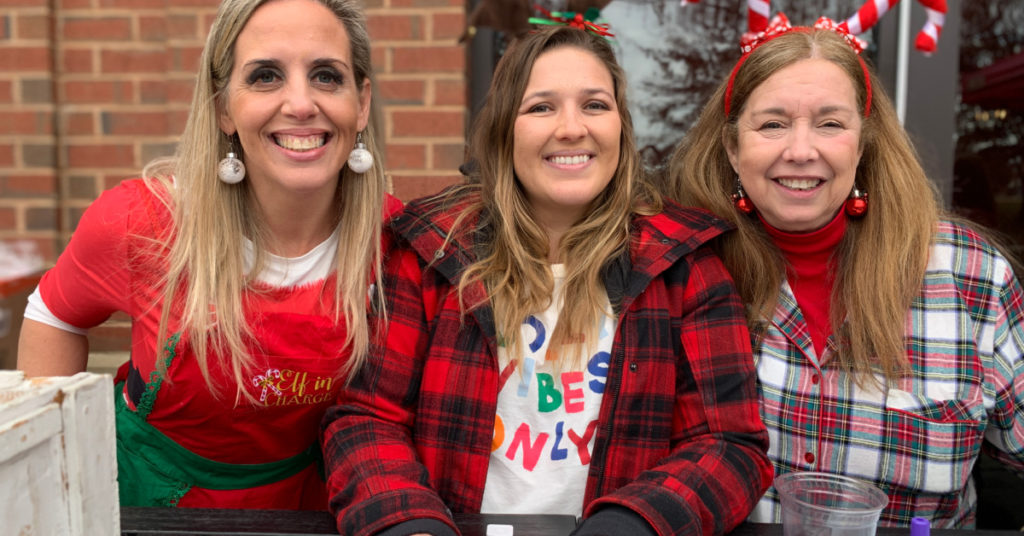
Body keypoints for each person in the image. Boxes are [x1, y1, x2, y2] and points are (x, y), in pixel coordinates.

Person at [321, 25, 772, 536]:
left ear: (621, 129)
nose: (572, 128)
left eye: (595, 105)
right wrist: (407, 523)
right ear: (504, 132)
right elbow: (366, 419)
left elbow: (729, 444)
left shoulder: (684, 265)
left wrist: (635, 523)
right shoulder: (432, 253)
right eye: (541, 107)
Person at [16, 0, 399, 510]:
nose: (302, 104)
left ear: (362, 102)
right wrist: (50, 478)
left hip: (311, 504)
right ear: (223, 108)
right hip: (146, 499)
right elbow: (54, 315)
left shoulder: (393, 239)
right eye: (266, 77)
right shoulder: (141, 222)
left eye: (327, 76)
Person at [668, 14, 1024, 529]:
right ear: (731, 147)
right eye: (772, 124)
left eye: (830, 124)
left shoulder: (972, 276)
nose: (800, 150)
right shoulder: (686, 269)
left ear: (862, 143)